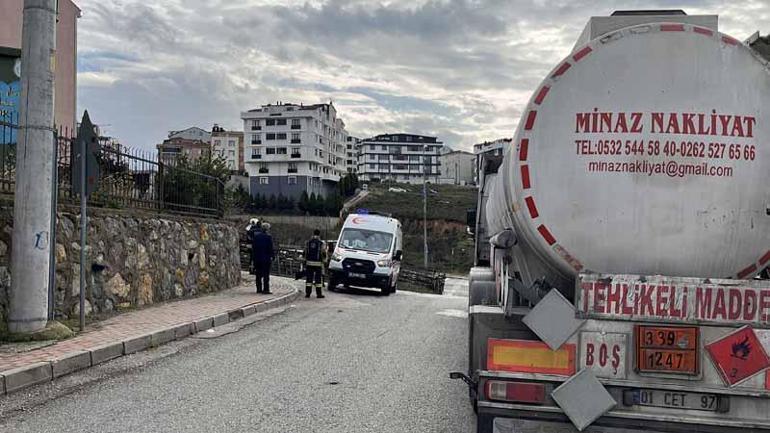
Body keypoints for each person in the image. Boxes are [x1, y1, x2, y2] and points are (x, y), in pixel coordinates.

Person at [251, 222, 274, 294]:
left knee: (258, 274)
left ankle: (259, 289)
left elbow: (253, 248)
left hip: (257, 258)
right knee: (266, 275)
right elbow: (270, 248)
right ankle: (266, 289)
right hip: (266, 259)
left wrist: (253, 257)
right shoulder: (268, 237)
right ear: (267, 229)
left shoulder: (256, 237)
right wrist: (272, 256)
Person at [303, 229, 326, 299]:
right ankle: (319, 294)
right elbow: (323, 252)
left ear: (313, 234)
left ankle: (307, 293)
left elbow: (305, 252)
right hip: (318, 264)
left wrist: (305, 261)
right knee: (318, 280)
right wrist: (324, 260)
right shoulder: (321, 243)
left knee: (309, 279)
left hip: (309, 263)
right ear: (319, 234)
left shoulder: (308, 242)